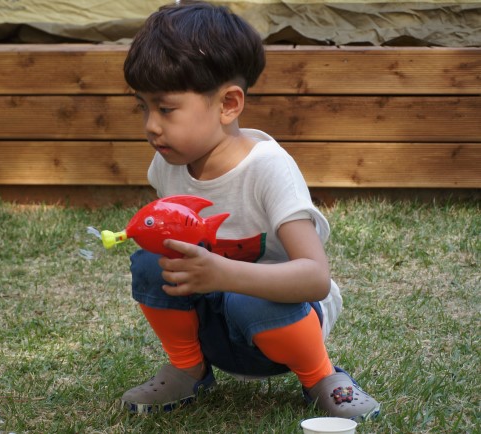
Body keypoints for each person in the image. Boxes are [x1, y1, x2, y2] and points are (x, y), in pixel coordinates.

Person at [119, 1, 381, 421]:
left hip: (283, 320)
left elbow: (315, 277)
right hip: (216, 324)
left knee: (249, 298)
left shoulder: (268, 168)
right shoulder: (167, 164)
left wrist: (224, 274)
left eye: (165, 108)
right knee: (150, 263)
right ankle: (188, 369)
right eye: (143, 107)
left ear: (229, 104)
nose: (151, 124)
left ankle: (322, 377)